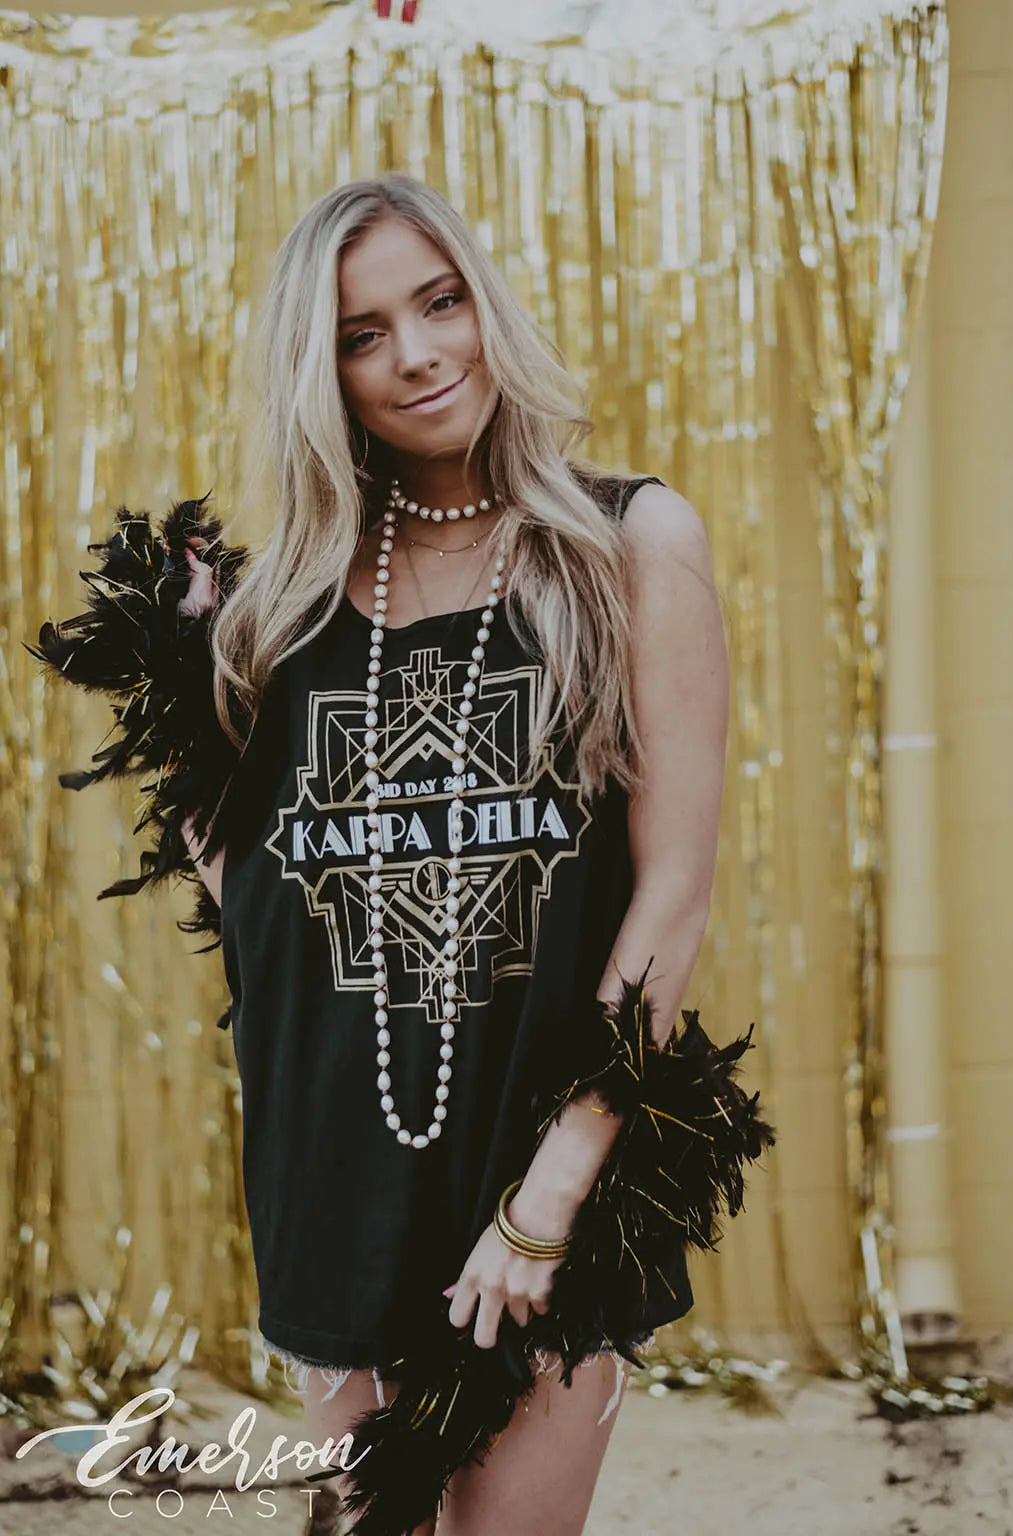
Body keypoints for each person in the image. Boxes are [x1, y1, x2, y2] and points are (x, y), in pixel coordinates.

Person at [36, 172, 773, 1536]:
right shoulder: (286, 607)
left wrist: (550, 1196)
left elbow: (673, 891)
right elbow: (265, 905)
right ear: (319, 372)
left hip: (539, 1158)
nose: (419, 354)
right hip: (334, 1168)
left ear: (486, 305)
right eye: (363, 333)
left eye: (440, 304)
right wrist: (178, 688)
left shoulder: (626, 544)